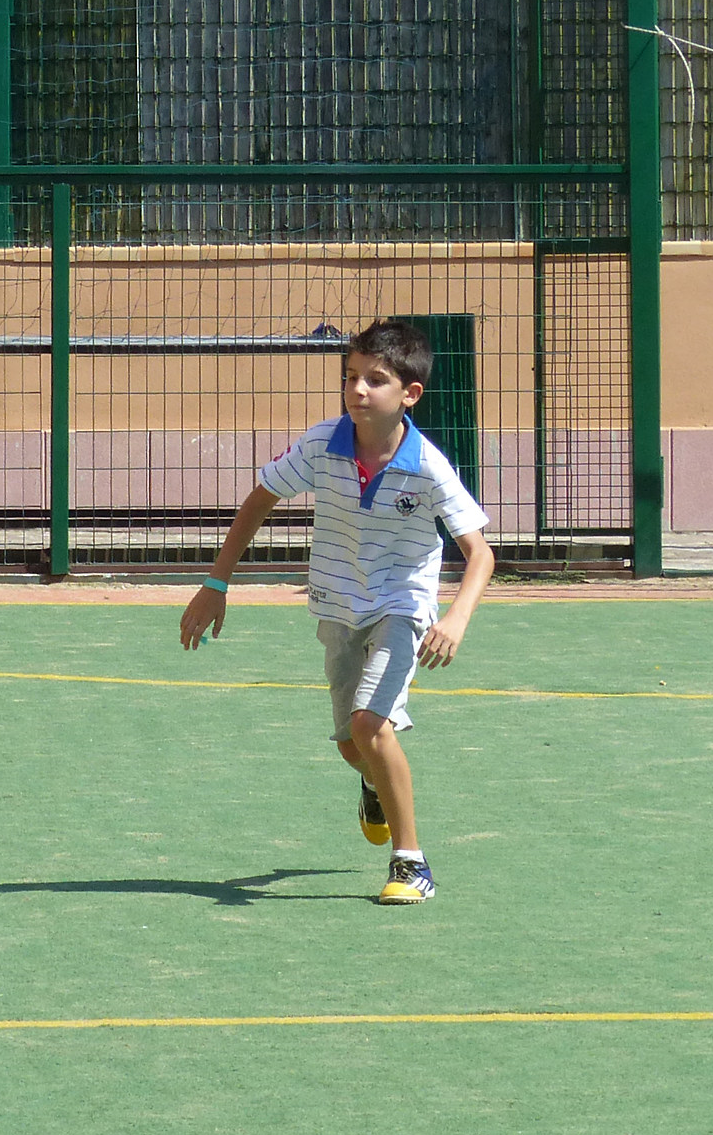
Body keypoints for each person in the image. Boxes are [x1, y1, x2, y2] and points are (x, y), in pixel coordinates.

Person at [179, 318, 493, 905]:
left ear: (410, 394)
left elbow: (480, 553)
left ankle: (411, 863)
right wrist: (215, 583)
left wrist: (455, 619)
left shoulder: (427, 466)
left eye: (375, 380)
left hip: (402, 605)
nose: (358, 390)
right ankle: (375, 785)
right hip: (337, 603)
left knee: (370, 725)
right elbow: (261, 499)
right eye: (351, 376)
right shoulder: (323, 443)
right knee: (353, 744)